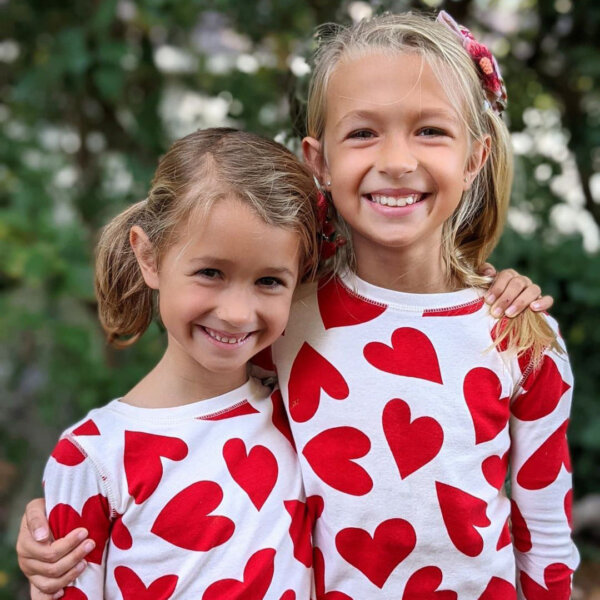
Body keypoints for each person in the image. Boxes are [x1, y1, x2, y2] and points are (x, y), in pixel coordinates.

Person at [15, 11, 567, 600]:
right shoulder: (285, 317)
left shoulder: (519, 333)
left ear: (475, 157)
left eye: (430, 130)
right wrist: (72, 508)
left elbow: (546, 538)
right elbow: (189, 433)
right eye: (363, 132)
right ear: (318, 161)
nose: (399, 160)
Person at [20, 127, 323, 599]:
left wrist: (484, 294)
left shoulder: (305, 410)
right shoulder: (94, 458)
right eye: (210, 273)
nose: (237, 312)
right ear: (150, 257)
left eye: (269, 281)